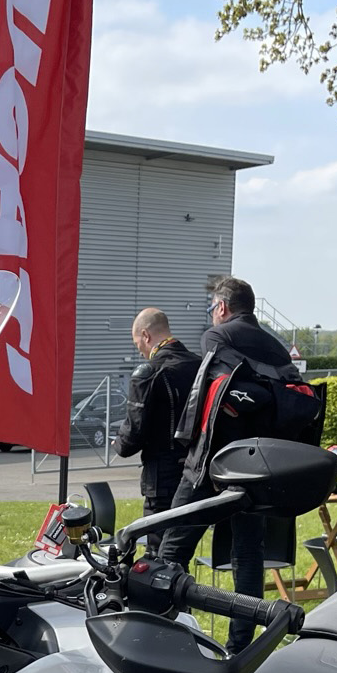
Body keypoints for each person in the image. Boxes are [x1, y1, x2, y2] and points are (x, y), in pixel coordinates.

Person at [160, 276, 294, 649]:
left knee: (172, 548)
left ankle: (164, 633)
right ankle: (240, 646)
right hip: (257, 465)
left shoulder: (216, 338)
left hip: (212, 461)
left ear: (221, 307)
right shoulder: (277, 347)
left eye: (212, 309)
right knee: (248, 557)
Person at [112, 308, 198, 516]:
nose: (140, 351)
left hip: (162, 477)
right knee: (183, 542)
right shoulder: (201, 365)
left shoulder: (149, 373)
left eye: (137, 344)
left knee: (160, 545)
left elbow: (134, 433)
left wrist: (118, 443)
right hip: (197, 471)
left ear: (145, 335)